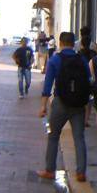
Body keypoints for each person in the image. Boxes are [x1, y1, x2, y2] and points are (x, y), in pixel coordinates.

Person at [37, 31, 91, 183]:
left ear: (60, 43)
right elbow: (88, 80)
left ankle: (49, 170)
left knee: (53, 136)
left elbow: (47, 85)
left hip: (60, 103)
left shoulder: (55, 59)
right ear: (73, 43)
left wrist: (43, 106)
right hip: (78, 105)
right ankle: (81, 172)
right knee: (79, 138)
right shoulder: (82, 59)